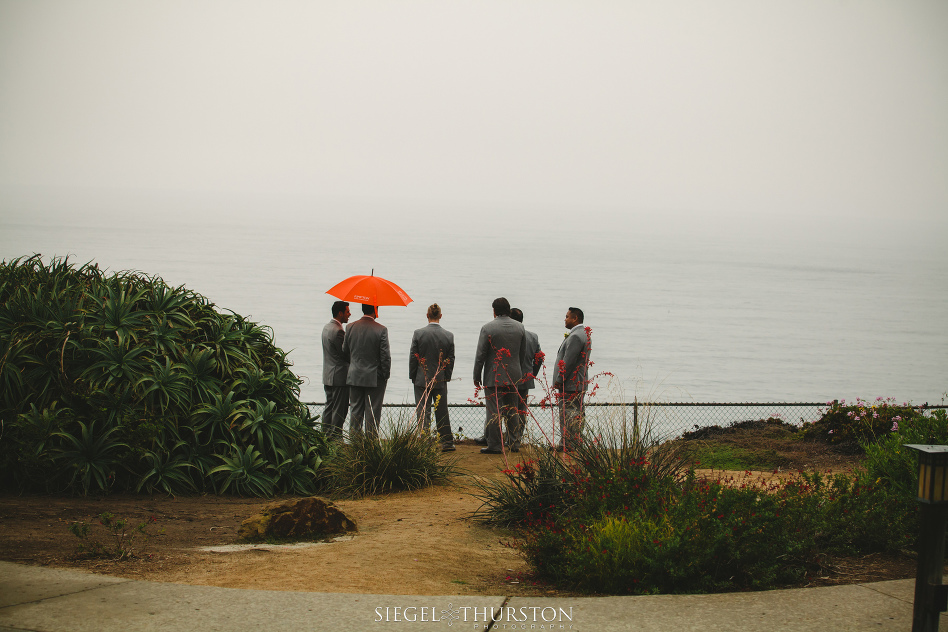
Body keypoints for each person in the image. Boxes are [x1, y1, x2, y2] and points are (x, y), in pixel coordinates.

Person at [473, 297, 528, 454]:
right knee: (512, 409)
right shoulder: (520, 328)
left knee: (494, 411)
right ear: (509, 310)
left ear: (494, 311)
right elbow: (522, 354)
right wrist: (519, 371)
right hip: (514, 374)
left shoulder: (487, 328)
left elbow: (481, 355)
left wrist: (477, 374)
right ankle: (514, 443)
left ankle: (495, 445)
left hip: (494, 375)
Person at [409, 303, 456, 451]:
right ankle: (447, 442)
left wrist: (413, 376)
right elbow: (451, 359)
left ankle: (425, 442)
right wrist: (446, 376)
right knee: (442, 411)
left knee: (423, 412)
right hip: (440, 378)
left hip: (421, 378)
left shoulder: (418, 333)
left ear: (427, 315)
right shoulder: (448, 335)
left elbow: (413, 357)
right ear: (440, 316)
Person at [342, 303, 391, 436]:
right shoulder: (381, 329)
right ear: (376, 310)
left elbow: (345, 352)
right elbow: (385, 356)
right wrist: (385, 375)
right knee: (372, 413)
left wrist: (353, 365)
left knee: (355, 412)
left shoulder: (350, 327)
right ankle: (370, 446)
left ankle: (355, 444)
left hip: (354, 375)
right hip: (374, 377)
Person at [552, 306, 591, 451]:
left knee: (567, 414)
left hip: (570, 383)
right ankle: (574, 441)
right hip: (579, 382)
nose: (565, 319)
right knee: (577, 413)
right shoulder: (584, 333)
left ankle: (567, 444)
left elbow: (568, 361)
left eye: (567, 316)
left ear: (575, 318)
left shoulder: (575, 336)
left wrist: (559, 380)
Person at [509, 307, 543, 451]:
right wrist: (532, 373)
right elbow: (539, 358)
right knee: (522, 410)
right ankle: (518, 437)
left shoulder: (510, 336)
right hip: (526, 378)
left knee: (508, 409)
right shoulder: (533, 336)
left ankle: (509, 437)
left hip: (510, 378)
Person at [321, 300, 350, 438]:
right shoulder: (338, 331)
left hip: (327, 374)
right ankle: (335, 438)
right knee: (339, 409)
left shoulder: (326, 327)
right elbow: (344, 354)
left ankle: (325, 435)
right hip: (339, 376)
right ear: (340, 313)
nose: (349, 314)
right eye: (347, 311)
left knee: (329, 407)